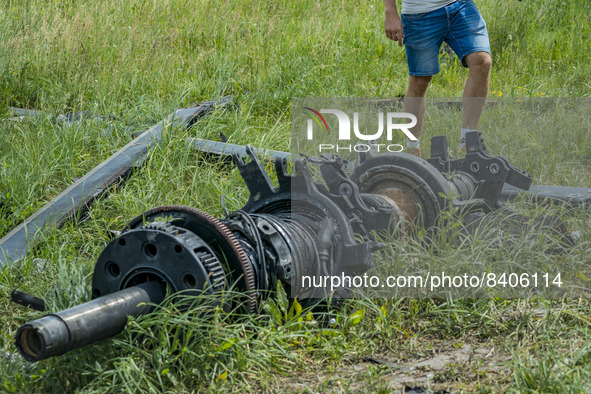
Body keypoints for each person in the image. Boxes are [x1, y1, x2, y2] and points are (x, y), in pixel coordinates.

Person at [383, 0, 492, 157]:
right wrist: (390, 12)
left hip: (460, 6)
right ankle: (412, 149)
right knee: (420, 81)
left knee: (482, 61)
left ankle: (467, 144)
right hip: (420, 14)